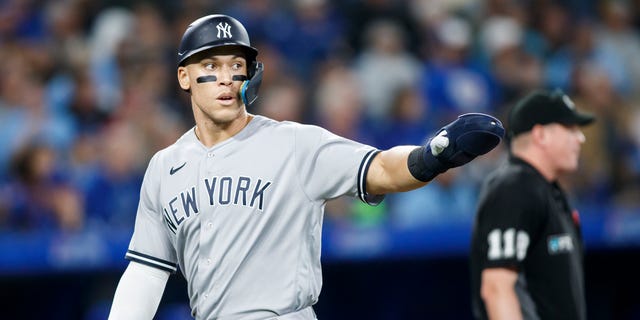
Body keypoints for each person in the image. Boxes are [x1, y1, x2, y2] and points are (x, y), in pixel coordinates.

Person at [108, 14, 505, 320]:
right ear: (184, 77)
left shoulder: (294, 143)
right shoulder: (165, 167)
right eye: (211, 65)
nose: (227, 77)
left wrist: (433, 156)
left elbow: (381, 168)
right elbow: (147, 271)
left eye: (236, 64)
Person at [469, 89, 595, 320]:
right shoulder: (514, 188)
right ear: (541, 135)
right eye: (570, 129)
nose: (580, 138)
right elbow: (497, 288)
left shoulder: (547, 190)